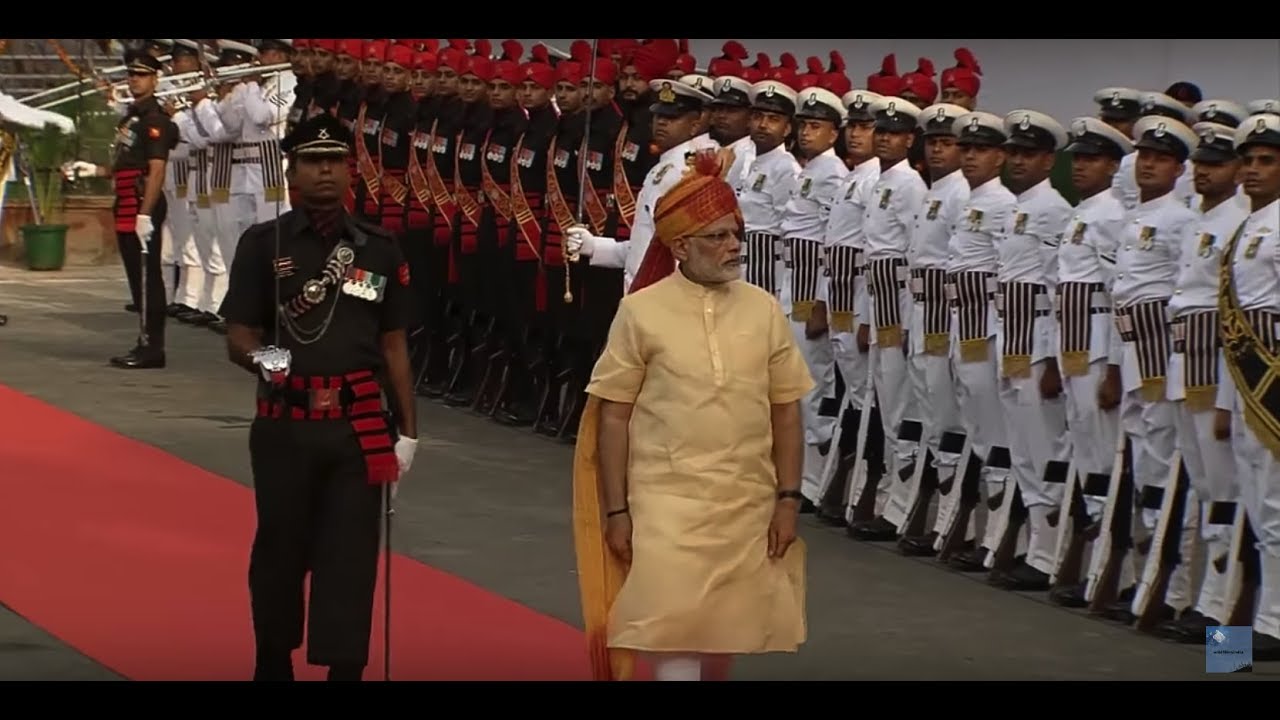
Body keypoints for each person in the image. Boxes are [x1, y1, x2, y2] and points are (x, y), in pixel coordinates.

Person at [572, 154, 811, 682]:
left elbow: (786, 412)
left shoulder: (763, 309)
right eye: (718, 237)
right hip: (665, 501)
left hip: (743, 500)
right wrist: (616, 511)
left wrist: (789, 500)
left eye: (736, 235)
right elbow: (613, 418)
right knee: (674, 633)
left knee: (719, 635)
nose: (734, 248)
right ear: (680, 247)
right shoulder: (641, 312)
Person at [218, 113, 420, 681]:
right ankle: (272, 659)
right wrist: (262, 358)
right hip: (286, 425)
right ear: (292, 171)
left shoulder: (380, 248)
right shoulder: (263, 245)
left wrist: (408, 431)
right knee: (281, 550)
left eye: (334, 160)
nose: (325, 171)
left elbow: (394, 343)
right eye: (312, 160)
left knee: (351, 557)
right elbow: (238, 331)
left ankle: (345, 669)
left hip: (358, 427)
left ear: (350, 170)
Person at [64, 50, 179, 369]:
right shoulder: (132, 117)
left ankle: (152, 347)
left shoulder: (155, 119)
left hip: (142, 201)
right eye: (131, 74)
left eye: (141, 75)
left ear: (155, 80)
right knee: (135, 277)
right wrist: (92, 170)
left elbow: (156, 170)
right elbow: (123, 164)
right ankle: (144, 341)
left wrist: (146, 213)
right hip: (126, 198)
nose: (134, 80)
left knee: (147, 276)